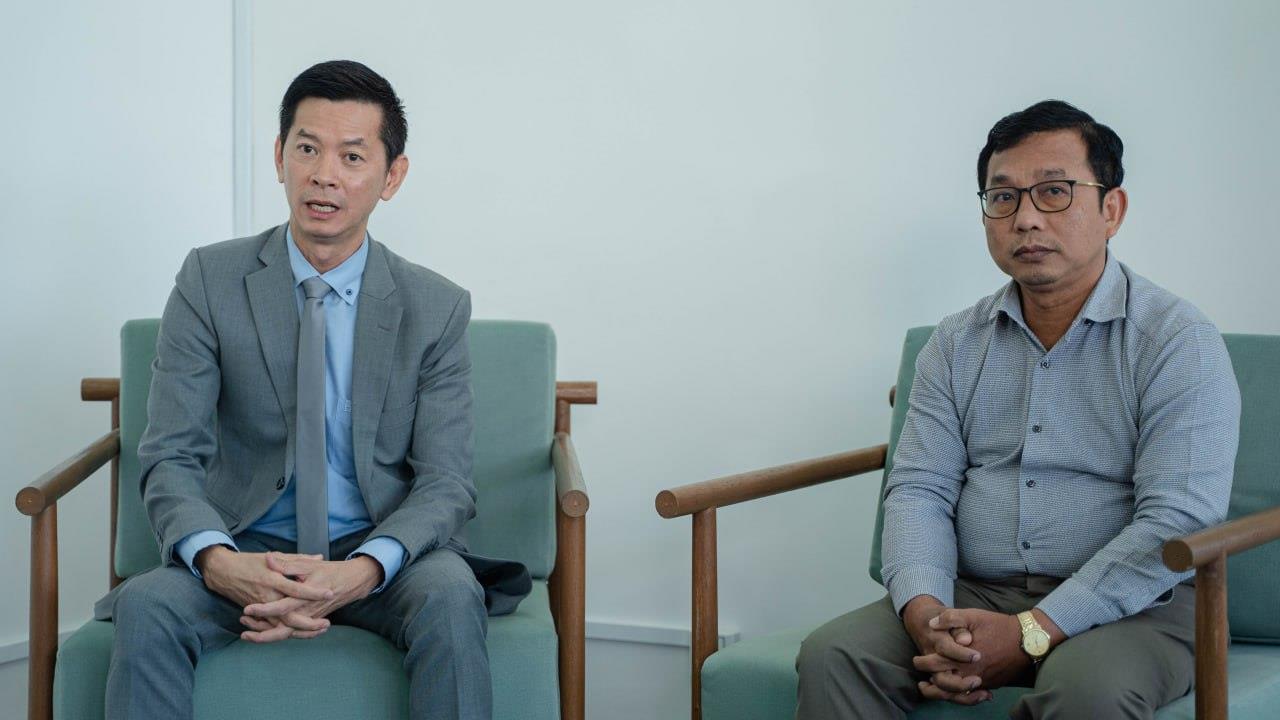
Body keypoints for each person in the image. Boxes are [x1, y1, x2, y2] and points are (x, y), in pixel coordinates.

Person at [96, 59, 528, 720]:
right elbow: (170, 455)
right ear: (279, 157)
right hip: (246, 550)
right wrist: (219, 562)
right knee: (148, 603)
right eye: (307, 149)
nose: (324, 174)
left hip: (378, 557)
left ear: (392, 177)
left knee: (449, 593)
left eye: (352, 156)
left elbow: (445, 483)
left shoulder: (435, 307)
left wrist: (361, 570)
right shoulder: (209, 280)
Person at [795, 100, 1241, 719]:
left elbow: (1179, 518)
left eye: (1054, 192)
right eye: (1003, 197)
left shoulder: (1176, 340)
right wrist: (926, 615)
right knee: (835, 655)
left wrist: (1034, 630)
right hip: (975, 590)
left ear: (1112, 210)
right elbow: (919, 489)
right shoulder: (955, 343)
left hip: (1139, 605)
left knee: (1091, 693)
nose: (1026, 218)